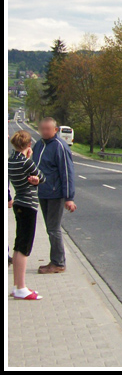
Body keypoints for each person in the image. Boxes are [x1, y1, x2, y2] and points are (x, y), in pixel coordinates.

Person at [32, 117, 76, 274]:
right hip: (42, 193)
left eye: (47, 129)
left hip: (55, 194)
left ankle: (58, 263)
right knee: (49, 228)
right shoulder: (39, 145)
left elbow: (67, 172)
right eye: (42, 129)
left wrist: (69, 197)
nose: (44, 132)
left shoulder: (59, 146)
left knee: (53, 228)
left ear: (55, 130)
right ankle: (55, 260)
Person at [8, 129, 45, 300]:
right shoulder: (26, 163)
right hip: (29, 204)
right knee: (25, 247)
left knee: (18, 244)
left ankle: (17, 285)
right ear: (29, 145)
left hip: (18, 202)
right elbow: (42, 177)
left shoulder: (10, 161)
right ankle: (21, 286)